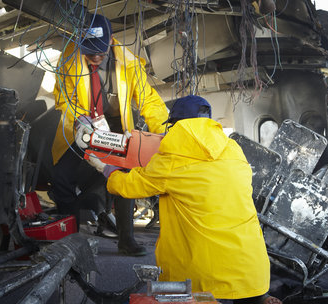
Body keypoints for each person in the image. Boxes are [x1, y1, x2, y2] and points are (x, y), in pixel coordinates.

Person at [88, 95, 282, 303]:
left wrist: (106, 169)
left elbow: (131, 185)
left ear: (175, 125)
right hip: (252, 269)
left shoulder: (172, 158)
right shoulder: (234, 150)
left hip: (205, 274)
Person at [50, 14, 168, 256]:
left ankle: (127, 240)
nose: (95, 57)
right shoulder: (68, 60)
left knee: (125, 175)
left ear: (111, 41)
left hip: (116, 130)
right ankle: (72, 241)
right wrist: (79, 118)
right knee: (61, 177)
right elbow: (63, 99)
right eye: (89, 51)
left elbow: (149, 102)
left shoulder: (130, 64)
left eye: (100, 52)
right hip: (83, 130)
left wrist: (165, 131)